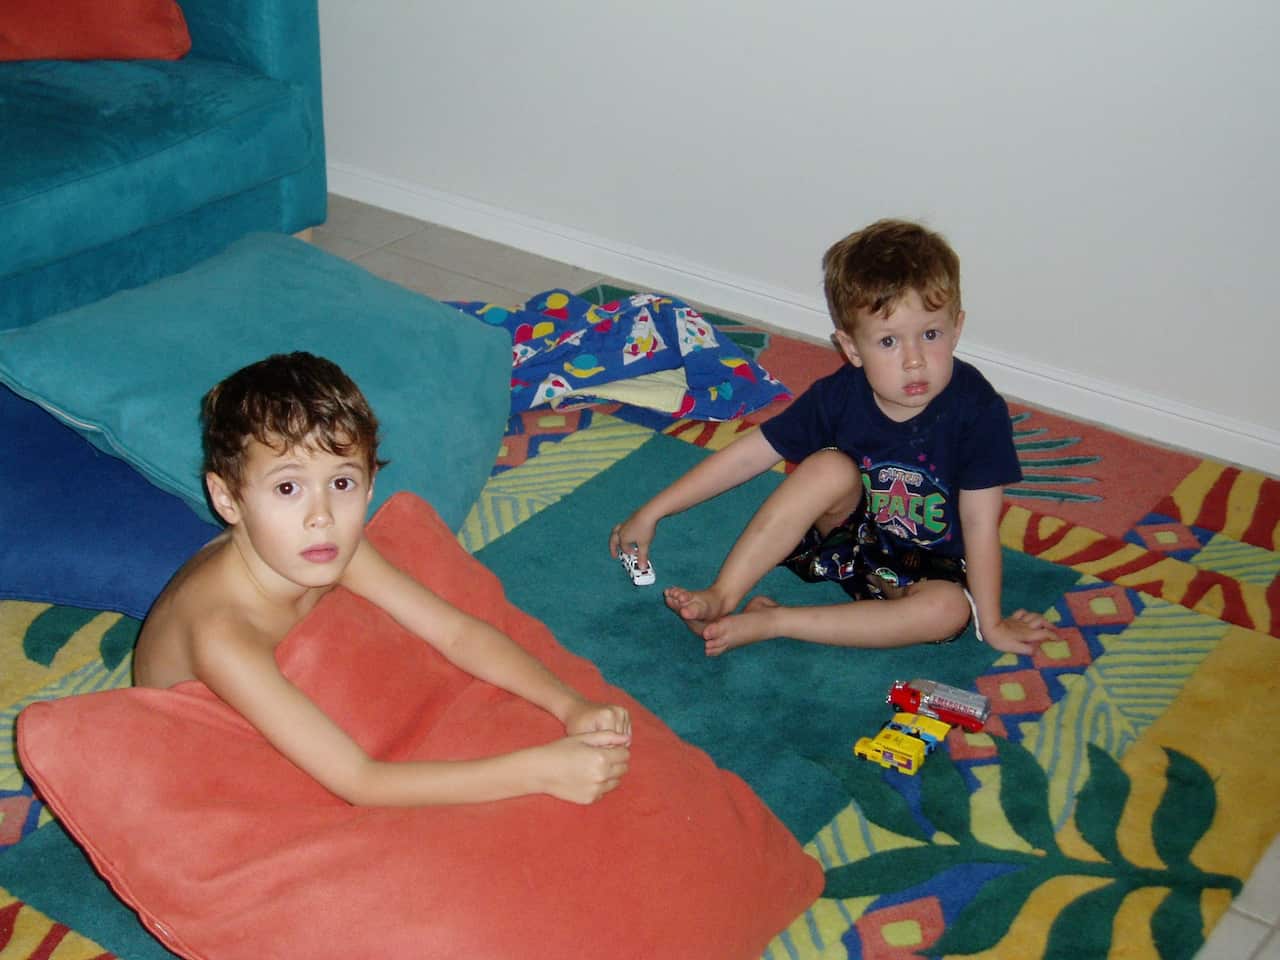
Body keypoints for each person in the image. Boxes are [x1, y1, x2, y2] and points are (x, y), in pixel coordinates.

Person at [135, 351, 630, 806]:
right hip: (195, 753)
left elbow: (455, 632)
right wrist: (539, 771)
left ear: (371, 484)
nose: (321, 515)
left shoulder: (323, 546)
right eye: (288, 487)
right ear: (227, 500)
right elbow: (360, 781)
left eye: (342, 482)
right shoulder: (224, 633)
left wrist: (569, 705)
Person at [610, 219, 1055, 658]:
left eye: (931, 334)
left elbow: (979, 522)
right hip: (852, 543)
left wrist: (991, 622)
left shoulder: (977, 411)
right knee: (826, 466)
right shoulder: (840, 395)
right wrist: (654, 510)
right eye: (888, 342)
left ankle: (775, 621)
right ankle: (723, 596)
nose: (915, 361)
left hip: (935, 569)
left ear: (957, 328)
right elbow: (750, 454)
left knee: (948, 610)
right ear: (851, 347)